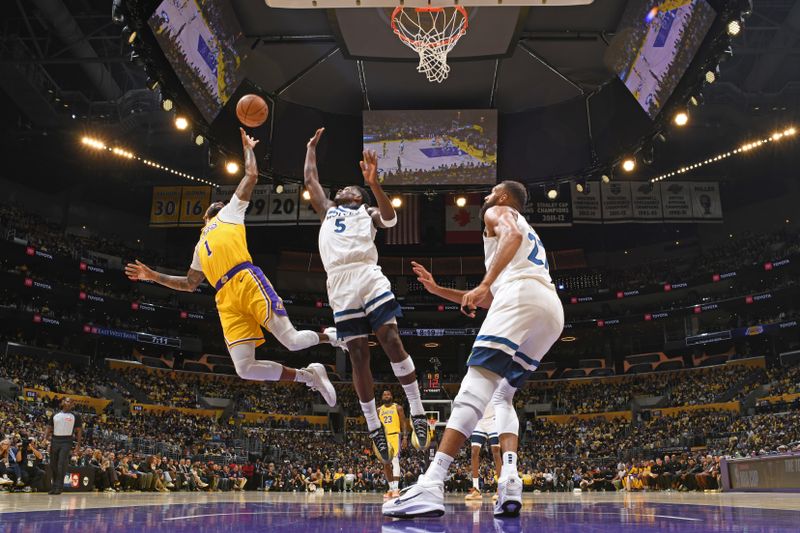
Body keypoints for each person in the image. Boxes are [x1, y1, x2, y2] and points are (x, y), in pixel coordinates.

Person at [384, 181, 564, 519]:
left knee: (476, 384)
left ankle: (432, 482)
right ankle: (509, 479)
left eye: (492, 191)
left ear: (505, 197)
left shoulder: (501, 212)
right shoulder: (526, 240)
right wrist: (440, 290)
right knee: (502, 397)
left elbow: (505, 257)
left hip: (521, 295)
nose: (485, 197)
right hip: (550, 310)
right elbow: (494, 299)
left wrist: (482, 283)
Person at [125, 128, 340, 406]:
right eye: (219, 202)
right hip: (224, 298)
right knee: (244, 368)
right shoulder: (199, 247)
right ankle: (309, 377)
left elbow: (251, 175)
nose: (223, 202)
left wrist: (247, 148)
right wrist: (152, 275)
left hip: (245, 279)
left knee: (293, 341)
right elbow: (189, 284)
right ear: (205, 216)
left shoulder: (230, 213)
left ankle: (330, 338)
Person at [304, 128, 430, 460]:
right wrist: (310, 148)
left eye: (351, 188)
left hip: (367, 273)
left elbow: (390, 218)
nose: (344, 189)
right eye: (343, 188)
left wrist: (374, 184)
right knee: (358, 353)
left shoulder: (367, 212)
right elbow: (311, 180)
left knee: (390, 337)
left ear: (359, 197)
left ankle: (417, 411)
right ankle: (373, 424)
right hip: (339, 281)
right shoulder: (327, 210)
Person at [44, 397, 83, 495]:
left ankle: (59, 486)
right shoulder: (55, 414)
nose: (69, 403)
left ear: (73, 405)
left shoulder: (76, 416)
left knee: (61, 463)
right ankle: (54, 486)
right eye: (68, 401)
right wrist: (45, 438)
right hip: (55, 440)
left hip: (67, 440)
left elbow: (79, 431)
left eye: (71, 402)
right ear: (63, 402)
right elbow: (49, 427)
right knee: (53, 464)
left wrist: (78, 445)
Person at [464, 403, 502, 501]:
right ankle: (476, 489)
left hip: (494, 420)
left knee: (496, 452)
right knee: (473, 452)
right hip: (479, 421)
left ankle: (500, 489)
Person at [378, 389, 407, 499]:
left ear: (392, 396)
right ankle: (390, 488)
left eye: (388, 394)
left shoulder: (398, 408)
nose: (386, 396)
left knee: (394, 461)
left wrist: (405, 437)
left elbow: (404, 423)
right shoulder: (379, 410)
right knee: (385, 463)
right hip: (383, 437)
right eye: (384, 394)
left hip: (395, 436)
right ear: (382, 397)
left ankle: (396, 489)